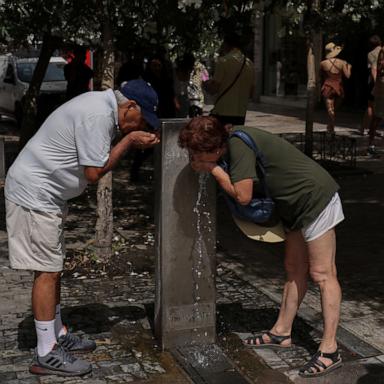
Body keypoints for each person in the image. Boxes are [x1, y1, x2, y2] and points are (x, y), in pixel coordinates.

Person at [4, 79, 160, 377]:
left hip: (46, 194)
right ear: (131, 106)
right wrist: (128, 142)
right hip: (34, 195)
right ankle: (46, 352)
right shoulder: (98, 116)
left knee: (53, 267)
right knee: (46, 270)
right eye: (141, 119)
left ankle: (57, 334)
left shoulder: (100, 107)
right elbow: (93, 172)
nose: (140, 125)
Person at [179, 116, 345, 378]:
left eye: (197, 153)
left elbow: (243, 196)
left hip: (315, 198)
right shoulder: (231, 142)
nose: (193, 158)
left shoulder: (237, 145)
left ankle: (330, 349)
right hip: (291, 205)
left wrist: (213, 169)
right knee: (294, 269)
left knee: (323, 274)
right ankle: (281, 332)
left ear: (214, 148)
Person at [204, 33, 254, 126]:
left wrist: (205, 84)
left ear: (226, 44)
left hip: (223, 111)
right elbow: (251, 92)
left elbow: (214, 89)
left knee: (220, 139)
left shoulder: (223, 61)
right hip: (240, 113)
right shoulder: (250, 64)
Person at [320, 42, 352, 134]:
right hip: (338, 88)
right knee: (334, 110)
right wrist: (349, 67)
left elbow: (320, 75)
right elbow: (348, 76)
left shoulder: (322, 63)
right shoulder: (342, 63)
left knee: (330, 110)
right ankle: (330, 126)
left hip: (328, 87)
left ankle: (331, 127)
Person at [360, 35, 382, 137]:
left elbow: (373, 69)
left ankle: (366, 128)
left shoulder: (371, 54)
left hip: (375, 82)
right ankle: (368, 128)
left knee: (370, 106)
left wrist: (375, 83)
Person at [369, 47, 384, 156]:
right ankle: (371, 145)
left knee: (377, 118)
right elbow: (379, 68)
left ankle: (371, 145)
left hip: (380, 91)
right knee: (377, 118)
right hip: (381, 92)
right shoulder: (382, 55)